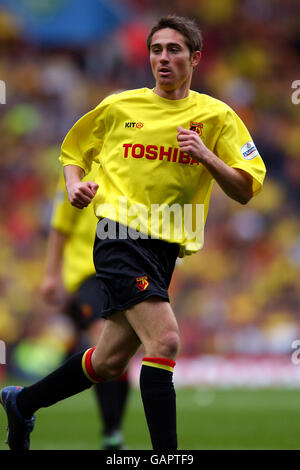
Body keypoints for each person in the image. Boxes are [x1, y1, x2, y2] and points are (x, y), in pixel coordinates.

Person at [1, 14, 266, 451]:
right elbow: (73, 149)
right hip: (118, 236)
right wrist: (73, 185)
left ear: (195, 58)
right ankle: (167, 458)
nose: (163, 58)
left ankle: (22, 402)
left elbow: (245, 189)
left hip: (165, 250)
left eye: (174, 50)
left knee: (107, 362)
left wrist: (206, 156)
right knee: (165, 339)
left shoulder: (216, 117)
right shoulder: (120, 106)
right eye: (156, 50)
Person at [40, 163, 130, 450]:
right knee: (103, 339)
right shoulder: (75, 172)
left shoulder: (129, 165)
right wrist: (51, 274)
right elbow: (60, 225)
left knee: (120, 355)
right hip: (89, 271)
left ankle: (113, 428)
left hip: (127, 269)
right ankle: (112, 433)